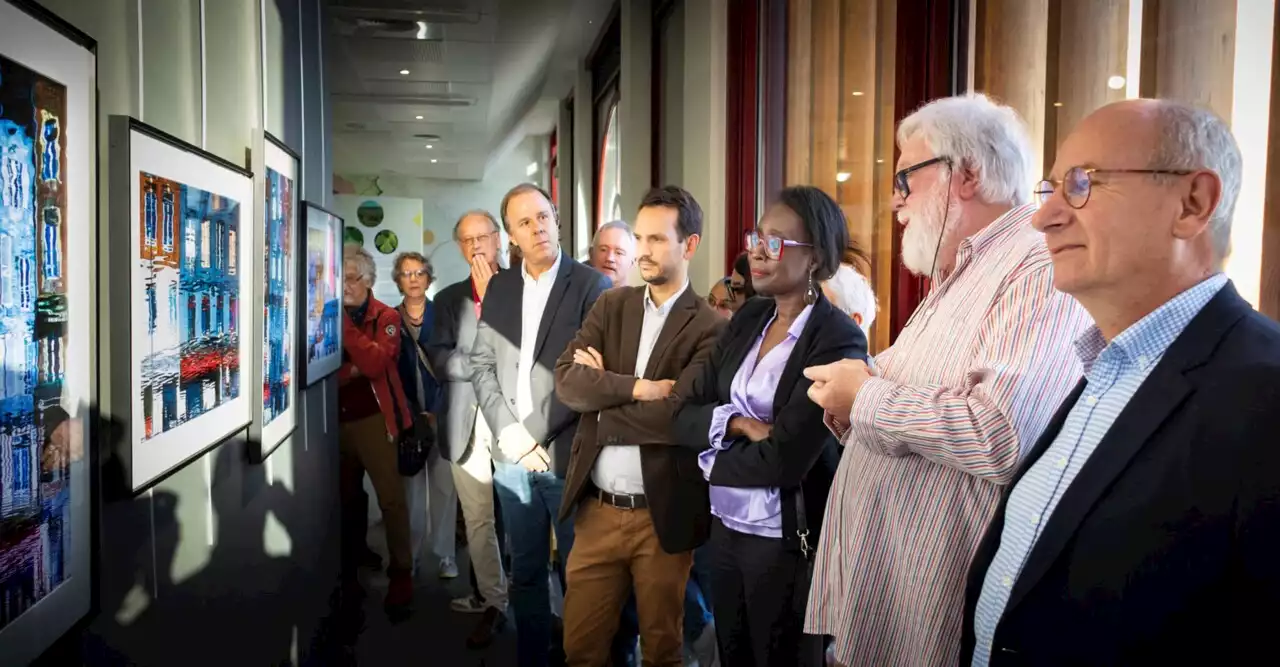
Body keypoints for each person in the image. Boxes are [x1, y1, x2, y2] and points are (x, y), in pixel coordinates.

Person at [963, 100, 1280, 665]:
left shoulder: (1263, 395)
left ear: (1192, 204)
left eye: (1082, 183)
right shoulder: (1104, 367)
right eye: (1052, 188)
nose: (1043, 218)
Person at [802, 94, 1091, 667]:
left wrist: (862, 395)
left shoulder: (1033, 267)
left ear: (969, 174)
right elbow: (902, 395)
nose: (895, 199)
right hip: (887, 598)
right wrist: (852, 398)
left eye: (907, 177)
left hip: (928, 610)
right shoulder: (960, 272)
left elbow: (1000, 433)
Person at [673, 185, 868, 667]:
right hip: (723, 531)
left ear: (815, 258)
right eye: (756, 237)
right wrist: (738, 422)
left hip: (784, 542)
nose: (756, 251)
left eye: (775, 242)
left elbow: (784, 461)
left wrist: (707, 459)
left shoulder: (837, 337)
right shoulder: (748, 319)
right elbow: (682, 412)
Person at [554, 186, 725, 667]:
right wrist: (638, 388)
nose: (643, 251)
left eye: (656, 239)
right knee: (580, 649)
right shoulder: (612, 306)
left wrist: (602, 404)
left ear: (689, 245)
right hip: (598, 513)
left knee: (662, 650)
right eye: (639, 237)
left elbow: (677, 418)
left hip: (662, 516)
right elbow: (568, 382)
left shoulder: (711, 327)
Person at [470, 183, 611, 667]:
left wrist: (529, 432)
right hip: (511, 460)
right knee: (525, 571)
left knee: (580, 574)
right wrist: (510, 435)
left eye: (544, 216)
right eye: (525, 222)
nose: (538, 228)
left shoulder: (592, 285)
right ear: (511, 235)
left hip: (567, 458)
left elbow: (584, 376)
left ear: (557, 219)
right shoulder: (502, 287)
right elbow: (481, 365)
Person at [427, 210, 511, 648]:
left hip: (516, 420)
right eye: (467, 240)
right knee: (478, 518)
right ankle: (494, 601)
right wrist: (481, 366)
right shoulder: (447, 298)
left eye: (483, 237)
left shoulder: (522, 288)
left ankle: (529, 596)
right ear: (460, 247)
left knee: (520, 514)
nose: (477, 245)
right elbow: (438, 359)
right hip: (465, 420)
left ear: (498, 240)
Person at [338, 243, 418, 617]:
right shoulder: (322, 312)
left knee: (390, 498)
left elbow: (372, 364)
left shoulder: (387, 316)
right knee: (347, 498)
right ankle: (354, 561)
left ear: (369, 281)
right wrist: (346, 370)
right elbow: (322, 371)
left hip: (374, 421)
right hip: (335, 424)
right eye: (341, 278)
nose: (345, 285)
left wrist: (342, 331)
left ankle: (402, 572)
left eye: (352, 278)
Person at [392, 252, 456, 584]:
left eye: (419, 273)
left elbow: (455, 368)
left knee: (445, 489)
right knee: (411, 494)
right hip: (407, 420)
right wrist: (406, 412)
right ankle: (411, 555)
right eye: (406, 273)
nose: (413, 279)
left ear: (429, 278)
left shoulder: (444, 315)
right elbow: (387, 374)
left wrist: (439, 408)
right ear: (398, 280)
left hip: (442, 415)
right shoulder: (389, 320)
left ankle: (445, 554)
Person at [589, 219, 636, 288]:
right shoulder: (575, 295)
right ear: (591, 254)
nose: (609, 258)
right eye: (603, 250)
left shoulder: (640, 298)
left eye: (619, 253)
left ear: (632, 262)